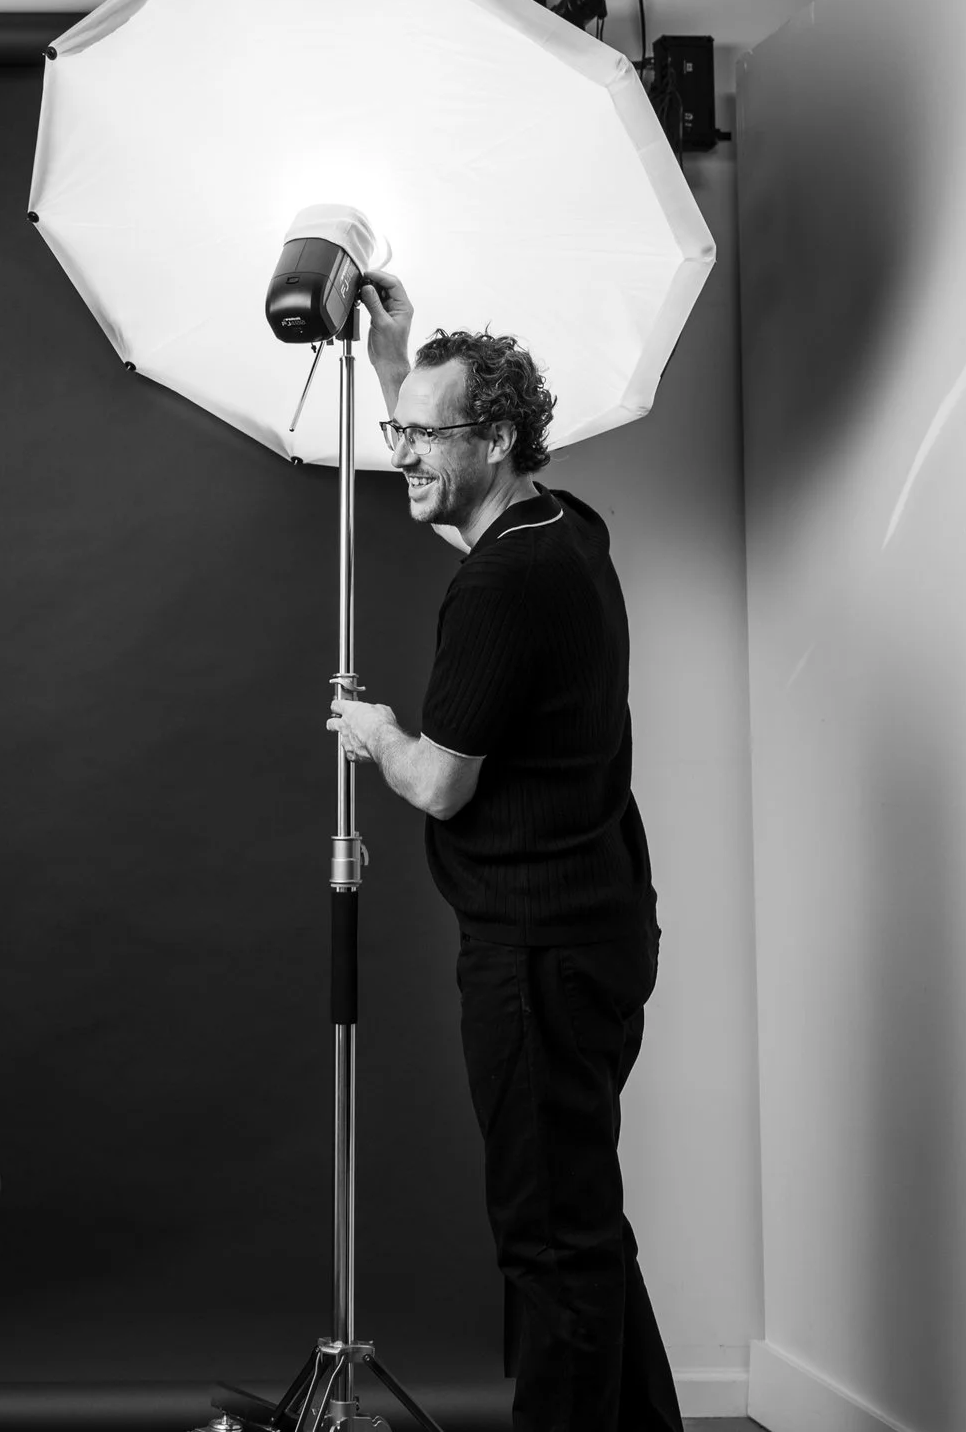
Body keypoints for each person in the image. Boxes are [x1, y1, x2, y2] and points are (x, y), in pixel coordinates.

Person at [324, 277, 681, 1432]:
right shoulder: (562, 528)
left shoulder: (503, 579)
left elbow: (438, 781)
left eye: (422, 435)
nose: (404, 456)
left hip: (535, 956)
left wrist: (376, 733)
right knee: (585, 1224)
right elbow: (468, 544)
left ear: (499, 437)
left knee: (549, 1245)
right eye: (398, 432)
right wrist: (392, 370)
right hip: (598, 936)